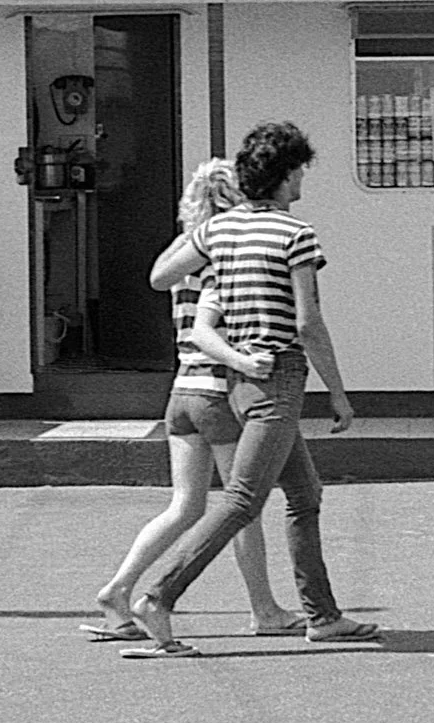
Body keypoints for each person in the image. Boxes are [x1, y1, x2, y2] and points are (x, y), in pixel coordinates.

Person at [128, 120, 379, 657]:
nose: (303, 180)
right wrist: (338, 392)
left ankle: (323, 615)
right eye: (300, 171)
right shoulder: (296, 234)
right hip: (280, 375)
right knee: (243, 498)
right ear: (287, 175)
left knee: (304, 493)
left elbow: (161, 278)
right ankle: (158, 596)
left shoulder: (219, 232)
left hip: (238, 379)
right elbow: (309, 322)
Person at [86, 158, 299, 642]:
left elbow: (158, 279)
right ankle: (264, 609)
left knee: (184, 506)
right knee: (242, 506)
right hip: (219, 391)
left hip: (181, 391)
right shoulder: (229, 255)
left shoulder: (183, 252)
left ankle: (117, 589)